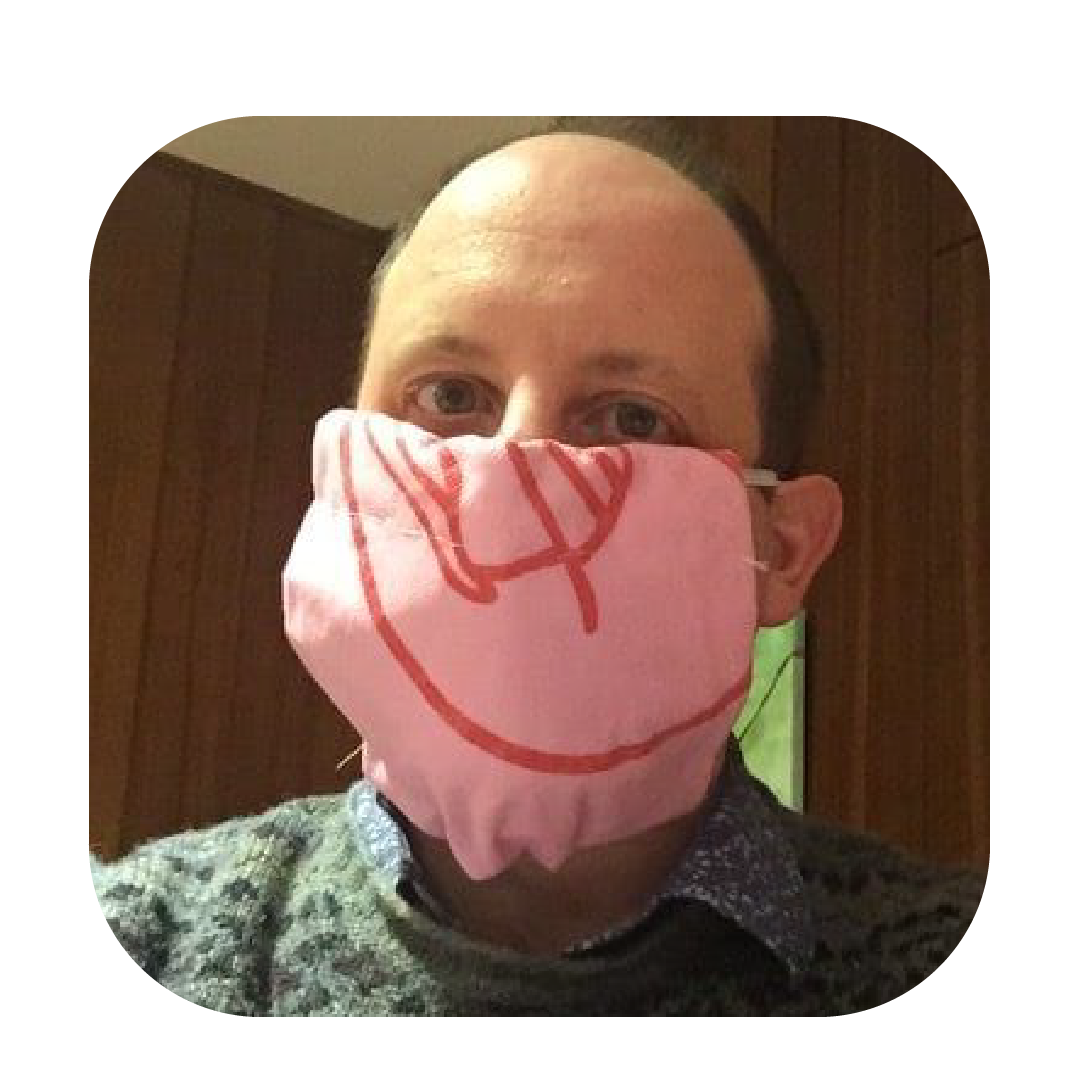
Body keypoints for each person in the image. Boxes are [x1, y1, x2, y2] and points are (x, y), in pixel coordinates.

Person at [91, 119, 986, 1016]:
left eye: (633, 417)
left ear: (781, 549)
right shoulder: (135, 950)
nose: (505, 474)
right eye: (449, 395)